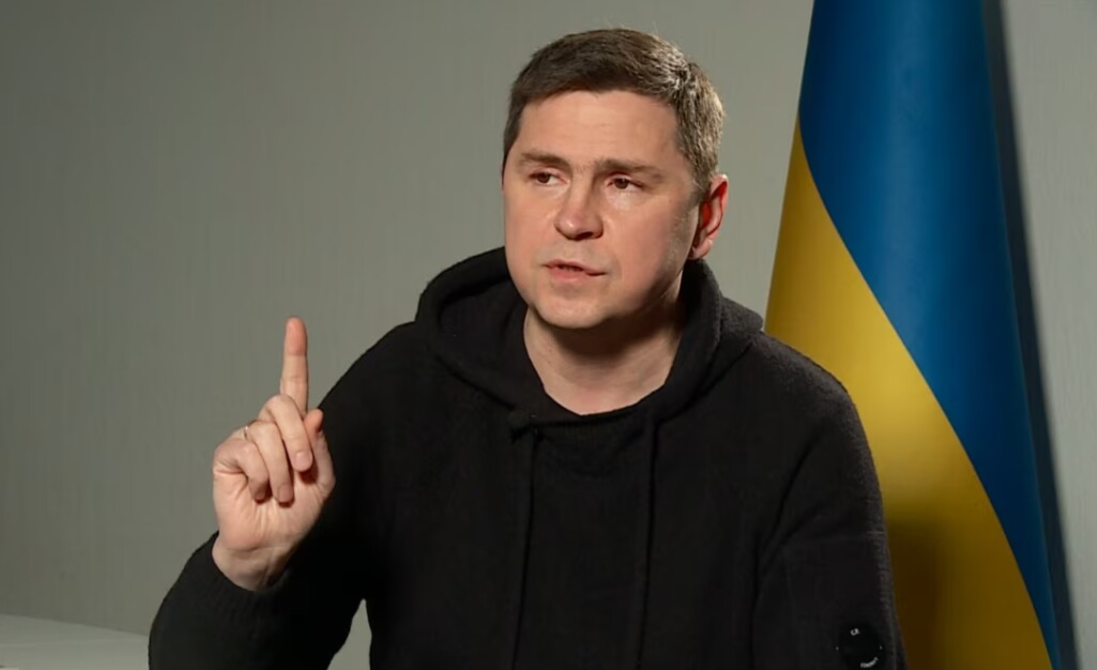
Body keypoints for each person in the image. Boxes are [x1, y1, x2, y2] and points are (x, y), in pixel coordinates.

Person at [148, 27, 906, 670]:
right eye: (545, 175)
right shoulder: (406, 386)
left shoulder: (798, 426)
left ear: (706, 218)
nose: (573, 219)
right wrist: (245, 569)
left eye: (622, 184)